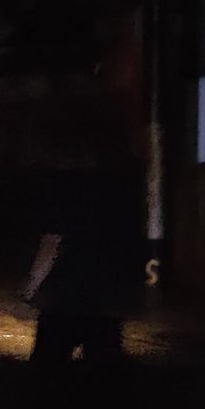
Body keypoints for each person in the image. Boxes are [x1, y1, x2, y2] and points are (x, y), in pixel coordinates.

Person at [20, 158, 143, 375]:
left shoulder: (62, 193)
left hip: (65, 300)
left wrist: (28, 294)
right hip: (106, 302)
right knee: (105, 375)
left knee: (47, 373)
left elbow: (50, 246)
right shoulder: (120, 192)